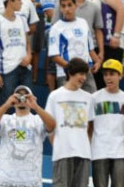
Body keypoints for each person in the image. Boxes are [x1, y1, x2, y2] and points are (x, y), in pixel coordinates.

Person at [0, 86, 56, 187]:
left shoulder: (38, 120)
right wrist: (6, 105)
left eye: (25, 96)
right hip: (5, 180)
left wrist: (36, 107)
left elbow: (52, 125)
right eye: (19, 96)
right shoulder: (5, 119)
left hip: (31, 181)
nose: (22, 98)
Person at [44, 57, 94, 187]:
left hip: (83, 154)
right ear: (70, 73)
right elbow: (49, 127)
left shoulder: (88, 98)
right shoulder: (55, 96)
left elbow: (90, 127)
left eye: (85, 74)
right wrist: (59, 145)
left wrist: (84, 145)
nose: (83, 78)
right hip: (62, 153)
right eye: (81, 74)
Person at [91, 59, 124, 187]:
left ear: (120, 76)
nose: (108, 78)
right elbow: (89, 126)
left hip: (120, 151)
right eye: (105, 74)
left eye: (112, 74)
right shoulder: (94, 98)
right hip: (99, 150)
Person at [49, 0, 101, 92]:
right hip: (66, 73)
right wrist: (72, 68)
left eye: (69, 5)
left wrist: (97, 61)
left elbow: (90, 48)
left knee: (91, 101)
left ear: (75, 6)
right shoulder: (56, 28)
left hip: (86, 72)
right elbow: (54, 55)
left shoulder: (83, 23)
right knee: (68, 104)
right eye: (63, 6)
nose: (67, 9)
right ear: (60, 8)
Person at [0, 0, 32, 101]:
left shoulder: (22, 19)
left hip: (24, 67)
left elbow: (27, 41)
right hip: (7, 69)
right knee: (6, 105)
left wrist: (29, 55)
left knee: (27, 103)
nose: (21, 2)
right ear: (9, 1)